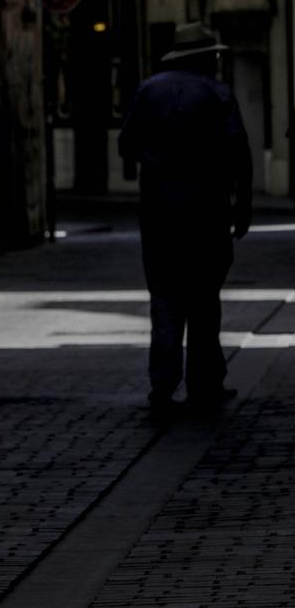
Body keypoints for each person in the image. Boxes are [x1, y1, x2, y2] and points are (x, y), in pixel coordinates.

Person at [119, 22, 252, 415]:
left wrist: (154, 160)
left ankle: (163, 383)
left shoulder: (149, 90)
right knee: (204, 299)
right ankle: (205, 381)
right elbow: (239, 154)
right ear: (205, 58)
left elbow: (127, 143)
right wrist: (242, 207)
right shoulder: (218, 93)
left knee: (163, 297)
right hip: (207, 211)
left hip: (159, 212)